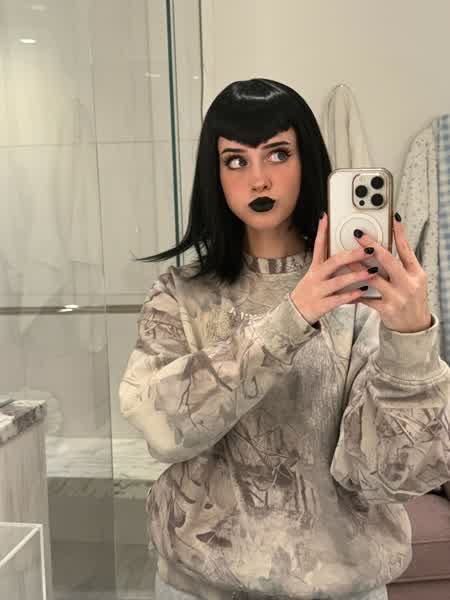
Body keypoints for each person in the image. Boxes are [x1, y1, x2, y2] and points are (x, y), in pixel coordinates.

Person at [119, 79, 450, 600]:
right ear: (214, 175)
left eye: (278, 153)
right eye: (235, 160)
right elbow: (162, 429)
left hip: (342, 587)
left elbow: (388, 476)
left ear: (306, 160)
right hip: (200, 585)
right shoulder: (180, 294)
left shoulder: (358, 297)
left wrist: (410, 343)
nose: (258, 178)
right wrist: (292, 317)